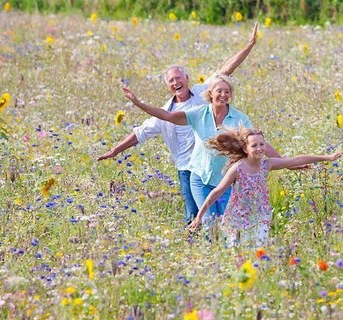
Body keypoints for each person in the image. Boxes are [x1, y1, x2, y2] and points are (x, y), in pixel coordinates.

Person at [97, 23, 261, 224]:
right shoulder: (166, 113)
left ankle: (218, 243)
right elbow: (139, 134)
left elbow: (226, 69)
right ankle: (197, 246)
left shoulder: (203, 95)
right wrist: (114, 150)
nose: (175, 82)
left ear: (187, 78)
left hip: (213, 164)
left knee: (220, 214)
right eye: (171, 81)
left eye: (178, 78)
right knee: (193, 214)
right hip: (188, 169)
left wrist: (250, 44)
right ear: (168, 86)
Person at [122, 74, 284, 221]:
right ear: (210, 93)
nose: (223, 95)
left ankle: (225, 253)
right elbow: (168, 116)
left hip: (226, 181)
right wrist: (138, 103)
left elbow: (257, 143)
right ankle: (211, 248)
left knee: (226, 223)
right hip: (200, 179)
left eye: (227, 91)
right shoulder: (199, 114)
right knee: (209, 222)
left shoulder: (239, 119)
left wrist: (286, 162)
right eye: (219, 91)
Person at [188, 127, 343, 247]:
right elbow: (217, 192)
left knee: (258, 251)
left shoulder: (267, 164)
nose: (259, 148)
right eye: (254, 145)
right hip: (238, 218)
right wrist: (199, 217)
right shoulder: (238, 168)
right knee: (237, 253)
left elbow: (296, 159)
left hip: (260, 216)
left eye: (262, 144)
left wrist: (327, 157)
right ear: (245, 149)